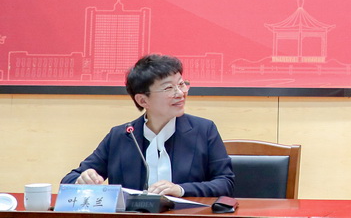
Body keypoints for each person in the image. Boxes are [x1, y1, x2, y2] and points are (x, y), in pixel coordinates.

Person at [62, 54, 235, 197]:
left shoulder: (203, 130)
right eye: (168, 88)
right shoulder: (121, 136)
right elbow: (69, 180)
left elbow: (225, 183)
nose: (180, 93)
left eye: (181, 84)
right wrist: (82, 180)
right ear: (143, 100)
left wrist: (181, 190)